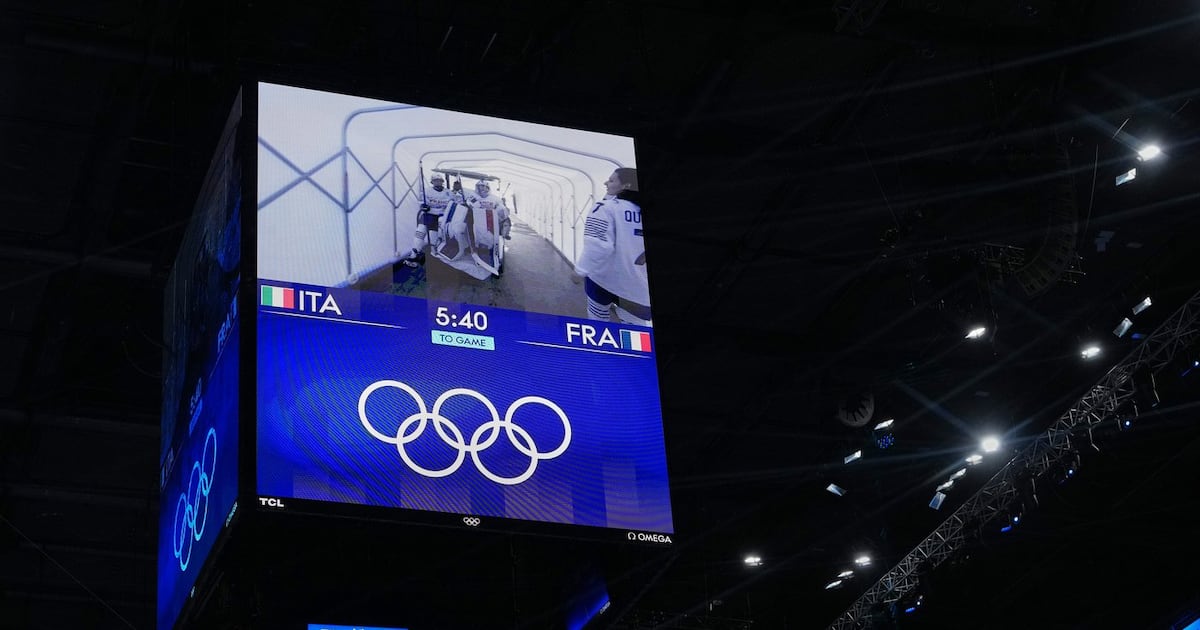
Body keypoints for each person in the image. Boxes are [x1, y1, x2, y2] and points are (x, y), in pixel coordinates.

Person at [573, 168, 651, 325]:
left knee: (598, 321)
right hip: (637, 287)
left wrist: (580, 271)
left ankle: (600, 347)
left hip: (602, 281)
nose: (605, 182)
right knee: (635, 335)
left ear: (626, 185)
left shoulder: (606, 207)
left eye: (611, 180)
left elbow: (598, 246)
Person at [401, 174, 453, 268]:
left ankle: (434, 256)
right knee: (420, 233)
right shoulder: (427, 191)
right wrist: (423, 206)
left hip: (440, 217)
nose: (438, 182)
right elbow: (421, 202)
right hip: (428, 215)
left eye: (439, 180)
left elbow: (454, 204)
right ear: (432, 182)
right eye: (435, 180)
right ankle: (414, 254)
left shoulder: (448, 192)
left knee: (434, 238)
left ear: (442, 182)